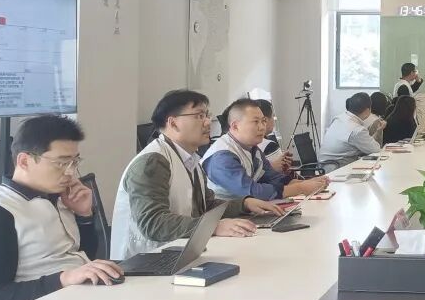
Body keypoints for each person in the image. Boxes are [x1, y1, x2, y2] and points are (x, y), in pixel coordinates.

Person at [0, 115, 124, 300]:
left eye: (74, 162)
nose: (71, 172)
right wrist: (64, 279)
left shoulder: (56, 197)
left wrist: (84, 216)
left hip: (79, 299)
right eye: (61, 163)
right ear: (24, 161)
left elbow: (80, 256)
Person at [110, 90, 289, 260]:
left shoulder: (189, 158)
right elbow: (154, 223)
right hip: (144, 264)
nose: (208, 122)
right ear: (173, 123)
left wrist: (245, 204)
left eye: (207, 115)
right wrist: (213, 226)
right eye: (199, 116)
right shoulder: (153, 162)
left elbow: (206, 204)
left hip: (178, 253)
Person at [203, 98, 328, 201]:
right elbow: (252, 192)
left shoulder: (252, 148)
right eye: (255, 122)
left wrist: (307, 183)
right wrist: (300, 188)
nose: (262, 127)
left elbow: (273, 177)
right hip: (224, 218)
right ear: (235, 126)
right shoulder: (222, 157)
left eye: (263, 121)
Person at [319, 92, 382, 166]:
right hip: (337, 167)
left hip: (324, 165)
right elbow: (375, 149)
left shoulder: (339, 118)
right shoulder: (357, 130)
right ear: (367, 110)